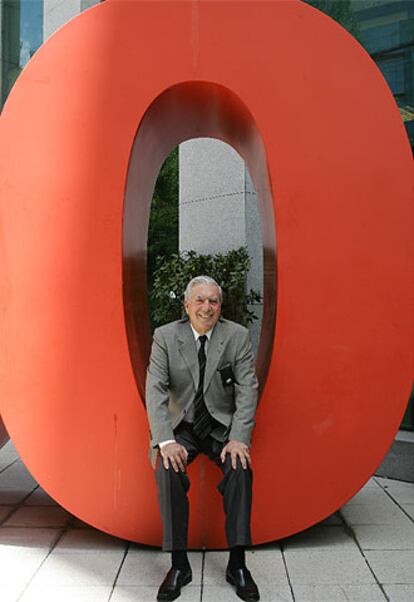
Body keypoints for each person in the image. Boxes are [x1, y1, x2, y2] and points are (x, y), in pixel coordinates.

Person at [146, 275, 260, 602]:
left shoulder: (236, 336)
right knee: (167, 470)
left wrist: (239, 438)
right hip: (182, 426)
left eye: (213, 301)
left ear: (220, 306)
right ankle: (179, 565)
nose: (206, 307)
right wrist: (165, 441)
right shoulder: (166, 336)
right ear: (186, 304)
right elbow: (155, 390)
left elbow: (247, 389)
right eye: (199, 300)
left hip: (220, 427)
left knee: (240, 469)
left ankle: (237, 564)